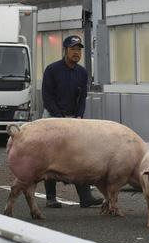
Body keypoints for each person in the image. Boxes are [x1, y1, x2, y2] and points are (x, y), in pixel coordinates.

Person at [41, 35, 103, 208]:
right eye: (73, 49)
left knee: (79, 157)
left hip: (73, 118)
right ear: (64, 50)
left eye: (79, 50)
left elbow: (82, 97)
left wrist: (79, 116)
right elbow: (47, 96)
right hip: (53, 117)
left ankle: (85, 196)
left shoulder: (82, 72)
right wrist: (58, 118)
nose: (76, 53)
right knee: (51, 157)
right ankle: (51, 197)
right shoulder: (52, 70)